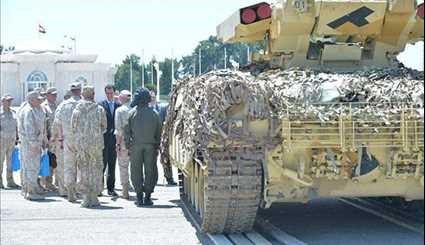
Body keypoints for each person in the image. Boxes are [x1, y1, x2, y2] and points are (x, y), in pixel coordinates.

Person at [71, 86, 107, 208]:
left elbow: (73, 128)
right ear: (93, 94)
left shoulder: (76, 110)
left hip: (82, 145)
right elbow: (104, 127)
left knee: (83, 169)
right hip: (96, 145)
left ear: (82, 95)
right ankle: (94, 196)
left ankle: (86, 197)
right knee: (96, 169)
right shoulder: (99, 109)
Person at [125, 88, 161, 206]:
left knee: (136, 171)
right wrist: (157, 146)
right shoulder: (154, 113)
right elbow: (158, 131)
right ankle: (148, 196)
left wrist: (127, 146)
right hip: (150, 146)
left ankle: (139, 197)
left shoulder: (131, 113)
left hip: (135, 146)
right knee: (150, 171)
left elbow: (127, 132)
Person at [53, 83, 81, 202]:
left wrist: (59, 139)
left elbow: (57, 123)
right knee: (81, 166)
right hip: (81, 139)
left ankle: (68, 190)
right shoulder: (84, 104)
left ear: (70, 91)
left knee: (68, 165)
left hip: (67, 139)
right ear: (80, 91)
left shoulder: (63, 105)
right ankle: (79, 189)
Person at [19, 91, 47, 200]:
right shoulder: (28, 111)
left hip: (35, 143)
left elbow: (42, 127)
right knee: (31, 167)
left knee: (33, 167)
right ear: (31, 100)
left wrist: (44, 140)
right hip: (30, 144)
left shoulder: (37, 109)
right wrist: (34, 145)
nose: (40, 100)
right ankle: (30, 192)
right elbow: (29, 129)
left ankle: (29, 189)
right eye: (37, 99)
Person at [149, 91, 177, 186]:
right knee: (152, 159)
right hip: (153, 138)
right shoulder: (147, 109)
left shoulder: (162, 108)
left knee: (165, 158)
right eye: (150, 97)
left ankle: (169, 178)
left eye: (153, 97)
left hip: (164, 137)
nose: (152, 99)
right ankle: (152, 178)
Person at [99, 84, 120, 197]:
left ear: (114, 93)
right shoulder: (101, 105)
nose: (109, 95)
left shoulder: (118, 105)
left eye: (111, 93)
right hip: (104, 139)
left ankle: (111, 189)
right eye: (107, 93)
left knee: (112, 166)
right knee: (102, 165)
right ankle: (99, 188)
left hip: (114, 140)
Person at [114, 90, 132, 199]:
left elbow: (119, 129)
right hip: (135, 143)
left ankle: (125, 190)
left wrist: (118, 144)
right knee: (135, 166)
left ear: (122, 98)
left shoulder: (119, 111)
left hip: (124, 143)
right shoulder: (134, 110)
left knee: (123, 166)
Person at [41, 87, 58, 191]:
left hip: (55, 138)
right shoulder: (44, 107)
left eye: (55, 94)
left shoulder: (55, 106)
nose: (55, 96)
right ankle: (45, 182)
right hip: (47, 138)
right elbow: (43, 124)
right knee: (46, 161)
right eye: (53, 94)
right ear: (47, 95)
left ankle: (49, 182)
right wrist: (45, 139)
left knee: (52, 161)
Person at [0, 94, 19, 189]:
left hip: (11, 141)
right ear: (2, 102)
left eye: (10, 101)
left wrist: (17, 138)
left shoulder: (13, 113)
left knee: (10, 161)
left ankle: (10, 181)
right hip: (1, 141)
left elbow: (17, 127)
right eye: (7, 101)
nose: (9, 102)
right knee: (0, 161)